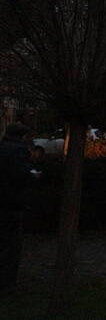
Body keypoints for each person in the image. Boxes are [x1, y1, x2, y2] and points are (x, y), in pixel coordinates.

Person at [1, 123, 34, 291]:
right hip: (13, 203)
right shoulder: (19, 151)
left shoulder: (3, 147)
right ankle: (7, 284)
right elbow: (21, 175)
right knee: (12, 246)